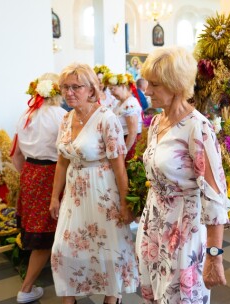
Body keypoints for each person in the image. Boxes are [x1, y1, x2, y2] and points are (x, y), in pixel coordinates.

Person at [136, 46, 230, 303]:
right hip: (154, 222)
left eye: (154, 84)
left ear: (175, 84)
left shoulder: (197, 128)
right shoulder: (157, 122)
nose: (147, 91)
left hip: (184, 229)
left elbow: (214, 196)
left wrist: (214, 256)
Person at [49, 63, 138, 304]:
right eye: (64, 87)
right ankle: (70, 295)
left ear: (91, 90)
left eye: (75, 87)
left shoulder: (106, 119)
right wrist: (54, 197)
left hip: (102, 191)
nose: (69, 92)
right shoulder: (66, 118)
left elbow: (119, 167)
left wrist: (124, 202)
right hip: (74, 192)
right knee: (64, 249)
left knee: (107, 247)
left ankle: (112, 295)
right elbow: (61, 163)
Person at [11, 73, 67, 303]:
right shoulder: (62, 116)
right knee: (48, 232)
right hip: (53, 174)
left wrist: (27, 175)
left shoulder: (26, 114)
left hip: (30, 172)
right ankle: (26, 289)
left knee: (40, 229)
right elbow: (66, 155)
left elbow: (15, 155)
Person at [105, 72, 143, 160]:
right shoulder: (119, 103)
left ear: (122, 86)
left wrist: (125, 151)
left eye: (113, 89)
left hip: (130, 143)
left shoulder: (130, 104)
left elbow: (133, 132)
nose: (111, 93)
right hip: (122, 142)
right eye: (110, 90)